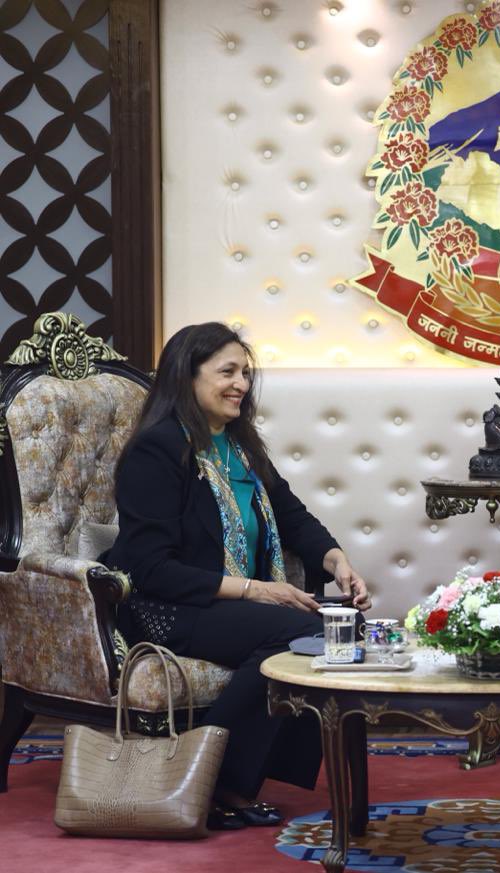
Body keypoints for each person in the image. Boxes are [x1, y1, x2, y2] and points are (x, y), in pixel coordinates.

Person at [105, 322, 372, 831]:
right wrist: (256, 589)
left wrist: (338, 562)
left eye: (246, 373)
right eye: (227, 372)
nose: (242, 385)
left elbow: (293, 517)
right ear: (188, 376)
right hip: (168, 609)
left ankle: (249, 773)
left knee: (344, 627)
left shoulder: (239, 445)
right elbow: (149, 568)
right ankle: (210, 780)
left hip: (228, 606)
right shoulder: (157, 450)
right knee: (304, 633)